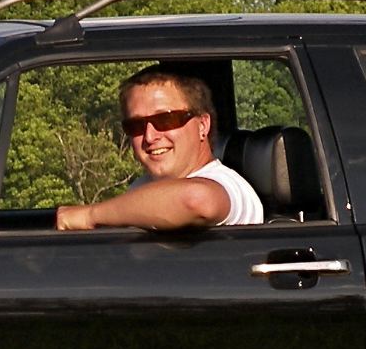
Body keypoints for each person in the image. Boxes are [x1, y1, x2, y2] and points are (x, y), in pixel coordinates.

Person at [55, 68, 264, 230]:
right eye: (135, 125)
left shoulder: (227, 185)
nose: (150, 136)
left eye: (166, 120)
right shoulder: (142, 187)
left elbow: (195, 200)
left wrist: (90, 215)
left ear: (202, 125)